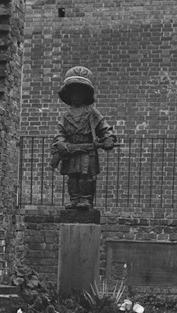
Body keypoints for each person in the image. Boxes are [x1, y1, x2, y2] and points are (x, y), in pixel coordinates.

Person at [51, 66, 116, 210]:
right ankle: (74, 199)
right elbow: (59, 133)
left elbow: (104, 128)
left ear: (86, 94)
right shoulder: (65, 115)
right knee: (73, 177)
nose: (77, 95)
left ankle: (86, 200)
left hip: (88, 151)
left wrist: (108, 138)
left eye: (81, 92)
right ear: (69, 94)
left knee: (86, 177)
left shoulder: (92, 113)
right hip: (71, 151)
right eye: (74, 91)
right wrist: (61, 144)